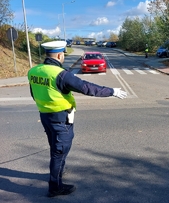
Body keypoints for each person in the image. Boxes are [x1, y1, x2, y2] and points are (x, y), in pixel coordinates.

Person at [27, 41, 127, 197]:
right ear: (60, 55)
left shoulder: (34, 71)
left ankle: (58, 172)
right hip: (61, 118)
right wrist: (111, 91)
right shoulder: (60, 74)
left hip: (45, 115)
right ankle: (55, 187)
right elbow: (86, 87)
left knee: (55, 147)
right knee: (59, 151)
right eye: (63, 56)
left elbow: (33, 93)